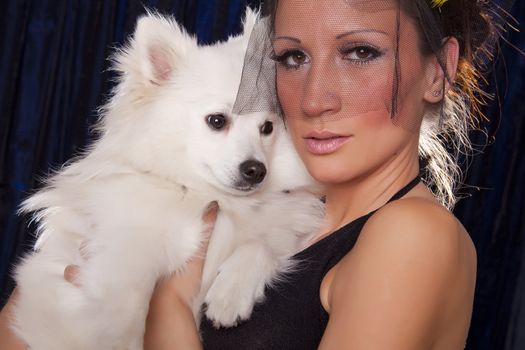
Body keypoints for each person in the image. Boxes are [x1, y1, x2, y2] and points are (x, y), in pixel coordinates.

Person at [1, 0, 505, 348]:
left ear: (437, 72)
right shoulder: (289, 220)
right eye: (293, 58)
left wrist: (168, 305)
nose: (314, 97)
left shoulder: (412, 235)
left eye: (360, 53)